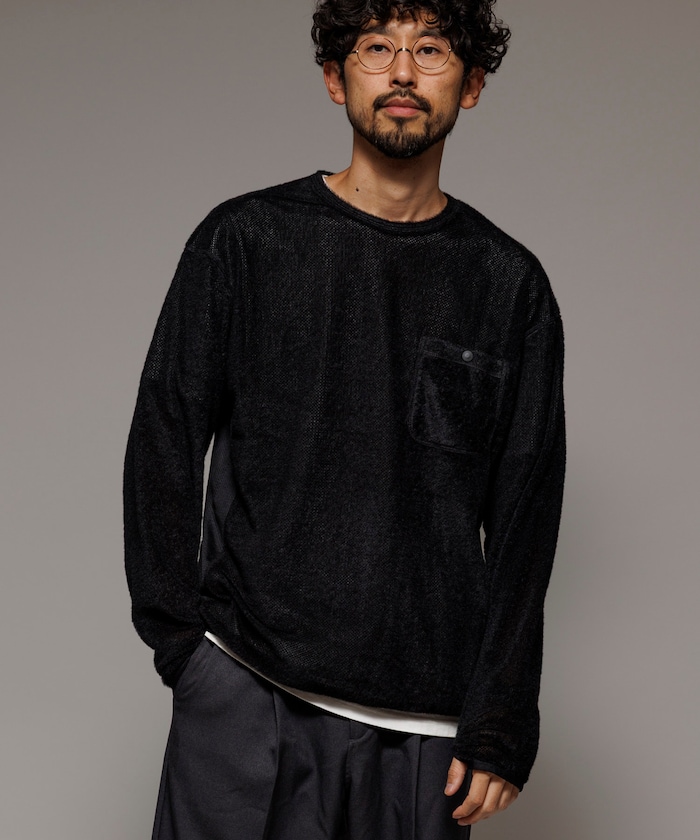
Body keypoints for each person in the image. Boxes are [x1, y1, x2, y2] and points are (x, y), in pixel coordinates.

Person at [123, 1, 565, 837]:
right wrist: (182, 644)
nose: (402, 71)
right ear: (336, 77)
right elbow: (163, 439)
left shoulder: (508, 285)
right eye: (376, 47)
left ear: (471, 85)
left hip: (425, 729)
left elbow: (525, 521)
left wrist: (501, 722)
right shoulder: (246, 241)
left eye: (430, 50)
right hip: (247, 690)